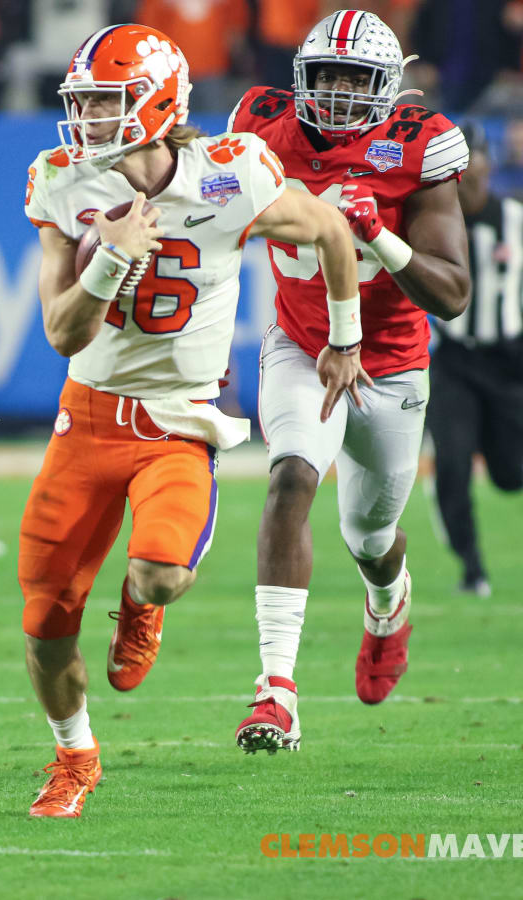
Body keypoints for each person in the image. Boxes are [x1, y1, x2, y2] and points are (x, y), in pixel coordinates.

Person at [20, 23, 364, 817]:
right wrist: (111, 257)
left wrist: (344, 338)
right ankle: (75, 757)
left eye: (107, 104)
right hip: (88, 418)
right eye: (84, 104)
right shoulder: (64, 182)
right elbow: (63, 333)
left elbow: (331, 231)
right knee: (45, 623)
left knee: (163, 573)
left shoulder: (231, 173)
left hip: (179, 420)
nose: (89, 122)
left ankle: (141, 605)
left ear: (158, 102)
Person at [227, 9, 470, 754]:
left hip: (392, 365)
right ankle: (276, 693)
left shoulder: (420, 146)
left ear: (388, 87)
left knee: (369, 535)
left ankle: (387, 601)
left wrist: (379, 235)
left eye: (354, 79)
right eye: (325, 75)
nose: (335, 92)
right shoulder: (263, 125)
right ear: (300, 77)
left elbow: (453, 293)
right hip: (304, 346)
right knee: (292, 476)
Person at [426, 121, 523, 598]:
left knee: (510, 475)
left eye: (476, 161)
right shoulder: (432, 220)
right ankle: (472, 567)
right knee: (453, 464)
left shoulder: (516, 218)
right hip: (455, 362)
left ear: (488, 164)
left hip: (510, 363)